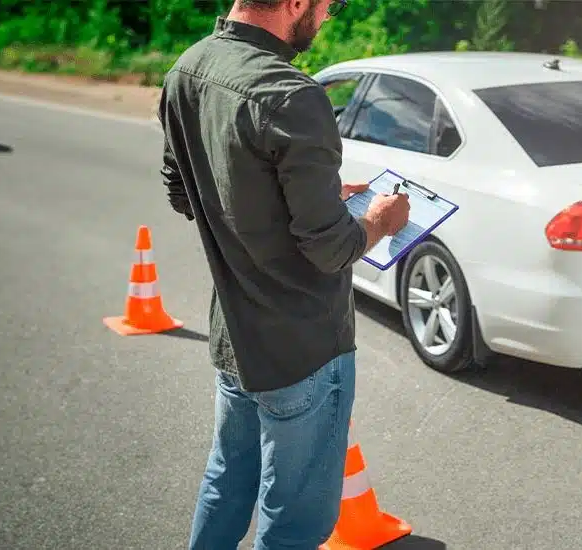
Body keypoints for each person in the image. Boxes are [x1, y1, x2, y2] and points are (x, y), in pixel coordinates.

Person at [156, 0, 411, 548]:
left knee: (226, 482)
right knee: (295, 522)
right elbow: (332, 248)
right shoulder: (293, 95)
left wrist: (306, 197)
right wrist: (380, 221)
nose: (328, 19)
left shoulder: (187, 68)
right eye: (329, 7)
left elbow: (184, 191)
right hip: (304, 347)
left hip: (234, 333)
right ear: (298, 2)